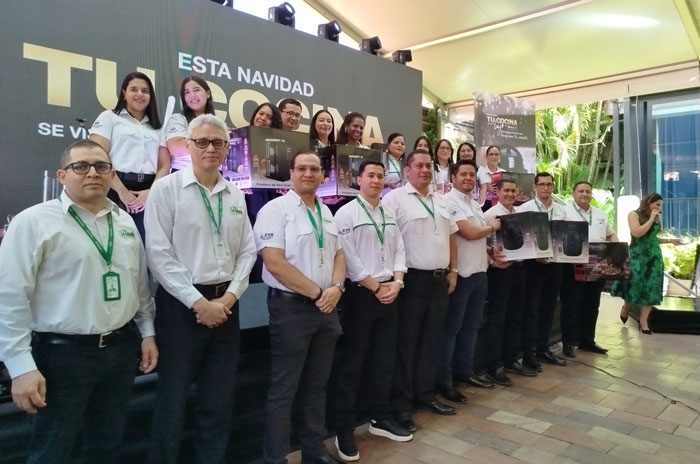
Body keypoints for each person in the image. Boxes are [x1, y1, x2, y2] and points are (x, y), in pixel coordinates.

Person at [0, 140, 157, 463]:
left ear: (111, 174)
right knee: (53, 451)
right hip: (61, 357)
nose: (92, 173)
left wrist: (147, 332)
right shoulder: (33, 222)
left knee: (107, 445)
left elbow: (139, 284)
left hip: (119, 351)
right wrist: (20, 366)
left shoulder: (124, 222)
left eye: (101, 166)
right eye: (81, 166)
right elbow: (10, 297)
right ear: (62, 175)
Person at [145, 114, 256, 463]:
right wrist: (198, 302)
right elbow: (158, 254)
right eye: (202, 142)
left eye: (218, 143)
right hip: (181, 306)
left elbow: (248, 251)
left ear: (227, 148)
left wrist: (229, 297)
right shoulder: (166, 189)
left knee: (219, 396)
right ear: (188, 146)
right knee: (173, 397)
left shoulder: (235, 193)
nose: (210, 149)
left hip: (226, 305)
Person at [254, 150, 345, 464]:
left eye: (314, 169)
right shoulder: (274, 210)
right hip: (291, 310)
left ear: (323, 176)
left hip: (326, 309)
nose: (308, 173)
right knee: (284, 390)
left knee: (317, 385)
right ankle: (275, 457)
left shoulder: (326, 211)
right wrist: (319, 293)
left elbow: (339, 255)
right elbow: (274, 263)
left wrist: (337, 288)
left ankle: (313, 451)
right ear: (291, 174)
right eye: (302, 168)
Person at [332, 160, 411, 462]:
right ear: (358, 180)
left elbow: (400, 250)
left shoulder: (388, 212)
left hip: (391, 293)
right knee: (353, 365)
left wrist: (397, 282)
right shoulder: (346, 213)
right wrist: (376, 287)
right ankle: (344, 430)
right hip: (362, 296)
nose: (376, 180)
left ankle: (380, 417)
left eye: (380, 175)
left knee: (384, 360)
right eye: (371, 176)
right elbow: (348, 258)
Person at [382, 149, 459, 432]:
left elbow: (451, 236)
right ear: (407, 170)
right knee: (407, 344)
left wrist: (454, 269)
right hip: (411, 281)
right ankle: (402, 406)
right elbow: (388, 241)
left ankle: (426, 395)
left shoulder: (440, 200)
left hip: (440, 281)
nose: (425, 170)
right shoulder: (394, 200)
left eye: (429, 166)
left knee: (431, 341)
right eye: (419, 166)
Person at [438, 160, 500, 401]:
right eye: (463, 174)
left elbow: (479, 238)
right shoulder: (448, 202)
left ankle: (465, 372)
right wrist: (492, 227)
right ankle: (445, 381)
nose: (468, 178)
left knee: (472, 326)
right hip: (460, 275)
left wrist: (490, 251)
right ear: (453, 177)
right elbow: (469, 232)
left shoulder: (473, 203)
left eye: (472, 175)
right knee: (451, 329)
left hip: (480, 272)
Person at [90, 71, 167, 240]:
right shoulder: (109, 117)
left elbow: (164, 165)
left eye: (145, 91)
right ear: (124, 93)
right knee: (112, 241)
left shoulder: (158, 128)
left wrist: (151, 192)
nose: (140, 94)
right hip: (114, 187)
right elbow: (97, 157)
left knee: (145, 244)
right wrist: (122, 192)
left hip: (148, 192)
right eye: (134, 89)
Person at [477, 178, 535, 386]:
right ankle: (494, 366)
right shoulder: (490, 215)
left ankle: (511, 359)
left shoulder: (520, 215)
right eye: (506, 191)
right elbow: (481, 243)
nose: (510, 194)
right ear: (498, 193)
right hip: (500, 272)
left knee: (515, 316)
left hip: (519, 269)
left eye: (513, 191)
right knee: (497, 319)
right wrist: (493, 259)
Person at [516, 172, 567, 371]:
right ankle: (529, 355)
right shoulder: (525, 209)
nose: (546, 188)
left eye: (549, 184)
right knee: (531, 311)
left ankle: (543, 349)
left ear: (553, 187)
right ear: (534, 187)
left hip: (555, 264)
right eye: (542, 184)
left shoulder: (561, 210)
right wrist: (534, 254)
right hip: (533, 266)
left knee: (549, 308)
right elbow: (521, 238)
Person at [560, 181, 618, 357]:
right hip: (573, 265)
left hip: (597, 265)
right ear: (573, 193)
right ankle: (569, 343)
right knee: (571, 305)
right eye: (581, 191)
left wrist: (618, 250)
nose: (584, 194)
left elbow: (610, 234)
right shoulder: (564, 212)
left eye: (588, 191)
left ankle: (587, 341)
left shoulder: (600, 213)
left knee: (592, 305)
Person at [613, 193, 680, 335]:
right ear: (649, 202)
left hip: (653, 256)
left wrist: (670, 241)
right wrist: (651, 219)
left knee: (651, 286)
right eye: (657, 204)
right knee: (634, 284)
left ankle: (643, 320)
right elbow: (637, 233)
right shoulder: (634, 214)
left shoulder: (656, 217)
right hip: (638, 255)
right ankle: (627, 306)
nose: (659, 208)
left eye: (660, 205)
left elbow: (652, 237)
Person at [161, 76, 216, 173]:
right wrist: (212, 139)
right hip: (183, 173)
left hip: (214, 175)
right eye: (187, 92)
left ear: (208, 93)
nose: (192, 95)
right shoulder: (177, 119)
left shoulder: (218, 124)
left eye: (196, 90)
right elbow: (176, 150)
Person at [478, 145, 506, 209]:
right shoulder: (480, 172)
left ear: (500, 156)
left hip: (500, 205)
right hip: (484, 205)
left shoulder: (504, 172)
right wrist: (486, 189)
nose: (494, 157)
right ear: (486, 156)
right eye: (491, 154)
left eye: (496, 154)